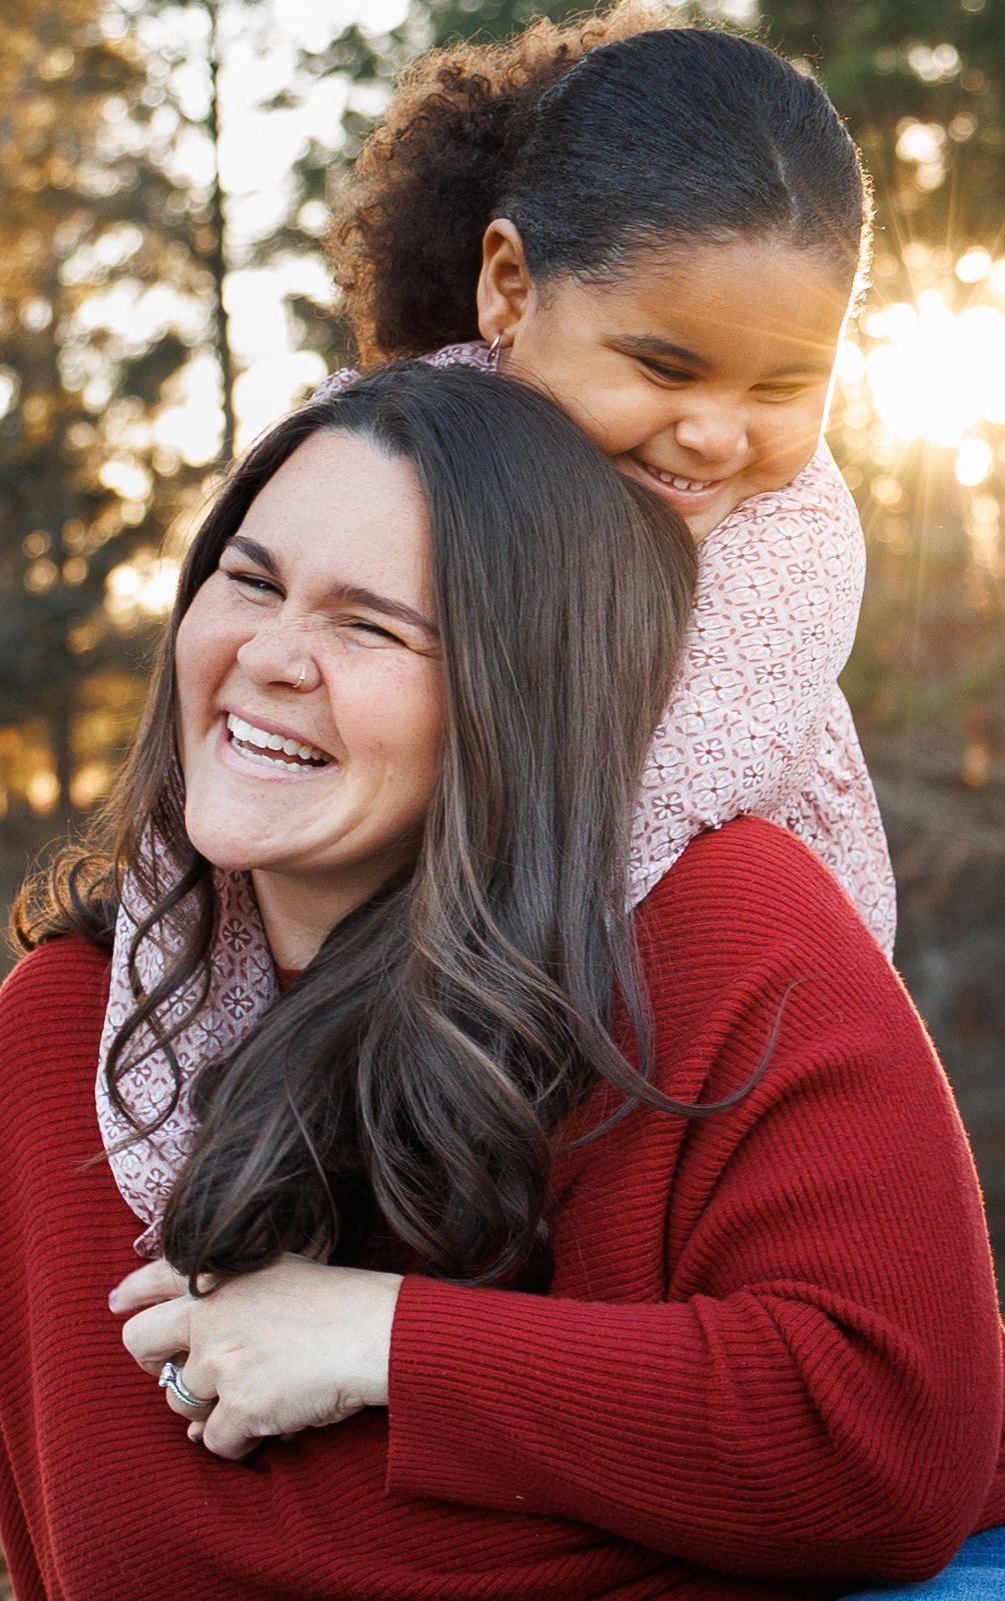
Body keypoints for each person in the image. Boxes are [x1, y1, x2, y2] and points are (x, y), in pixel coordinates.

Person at [0, 363, 1005, 1601]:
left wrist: (384, 1340)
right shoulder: (83, 1023)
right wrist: (717, 1500)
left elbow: (883, 1450)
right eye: (248, 579)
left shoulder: (726, 926)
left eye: (371, 624)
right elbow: (159, 1557)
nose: (272, 654)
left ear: (514, 690)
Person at [99, 18, 902, 1238]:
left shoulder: (778, 542)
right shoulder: (386, 446)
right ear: (509, 289)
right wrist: (175, 1158)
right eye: (662, 366)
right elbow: (219, 779)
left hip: (640, 1000)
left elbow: (613, 822)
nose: (715, 435)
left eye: (782, 386)